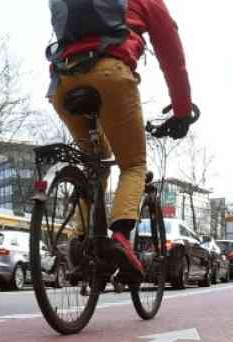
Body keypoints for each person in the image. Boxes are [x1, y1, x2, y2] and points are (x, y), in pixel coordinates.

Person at [47, 0, 194, 281]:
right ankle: (121, 238)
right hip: (110, 73)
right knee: (134, 164)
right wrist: (182, 111)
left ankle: (82, 238)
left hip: (62, 82)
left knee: (97, 163)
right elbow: (172, 56)